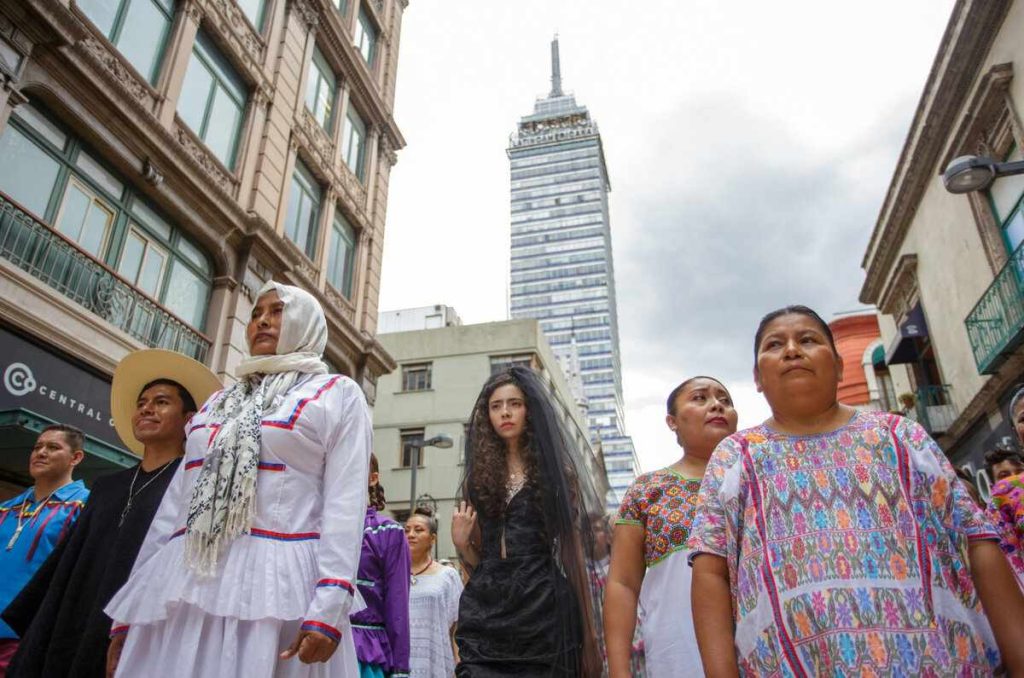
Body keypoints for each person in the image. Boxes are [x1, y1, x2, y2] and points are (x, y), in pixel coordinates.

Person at [689, 305, 1024, 675]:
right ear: (757, 377)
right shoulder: (735, 457)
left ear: (839, 366)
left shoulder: (901, 436)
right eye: (774, 344)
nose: (791, 350)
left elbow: (976, 542)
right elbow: (710, 574)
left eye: (807, 339)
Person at [104, 281, 372, 677]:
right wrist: (129, 613)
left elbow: (346, 503)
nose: (262, 321)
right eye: (256, 314)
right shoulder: (220, 401)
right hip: (186, 581)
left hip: (274, 589)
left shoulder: (336, 393)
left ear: (306, 323)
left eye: (277, 312)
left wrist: (332, 601)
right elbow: (176, 506)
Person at [2, 349, 219, 678]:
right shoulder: (106, 486)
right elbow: (66, 563)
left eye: (161, 402)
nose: (146, 408)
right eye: (142, 403)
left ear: (190, 419)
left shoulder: (192, 487)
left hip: (134, 633)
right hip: (71, 625)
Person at [451, 366, 603, 677]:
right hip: (488, 609)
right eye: (496, 406)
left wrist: (590, 636)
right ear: (487, 416)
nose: (505, 413)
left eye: (514, 404)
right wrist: (461, 544)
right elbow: (478, 563)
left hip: (543, 608)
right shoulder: (476, 481)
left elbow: (572, 553)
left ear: (529, 411)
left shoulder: (558, 478)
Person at [605, 377, 737, 678]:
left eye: (725, 400)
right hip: (676, 658)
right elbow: (623, 584)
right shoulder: (647, 490)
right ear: (672, 421)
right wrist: (618, 670)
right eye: (700, 398)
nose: (717, 405)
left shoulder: (758, 479)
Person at [0, 425, 89, 669]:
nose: (41, 453)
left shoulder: (86, 507)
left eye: (53, 447)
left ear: (76, 457)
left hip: (27, 635)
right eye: (37, 447)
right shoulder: (7, 508)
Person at [352, 453, 411, 678]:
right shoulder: (317, 527)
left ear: (373, 478)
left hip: (367, 655)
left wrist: (400, 669)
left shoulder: (387, 532)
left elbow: (398, 605)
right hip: (317, 648)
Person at [405, 506, 462, 678]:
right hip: (398, 663)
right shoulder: (392, 576)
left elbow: (458, 627)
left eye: (418, 530)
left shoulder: (447, 576)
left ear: (433, 539)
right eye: (406, 530)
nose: (410, 535)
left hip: (436, 662)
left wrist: (459, 665)